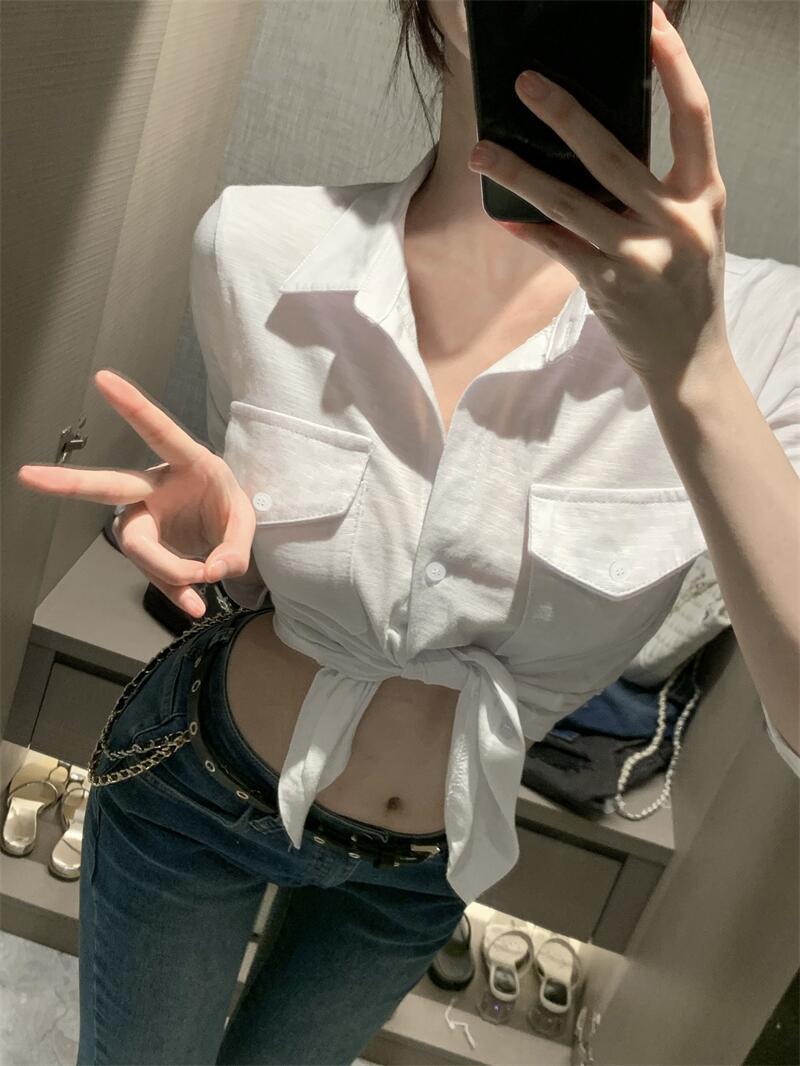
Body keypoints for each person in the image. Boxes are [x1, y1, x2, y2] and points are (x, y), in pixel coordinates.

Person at [16, 1, 800, 1063]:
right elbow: (259, 575)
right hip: (198, 789)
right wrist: (200, 525)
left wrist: (692, 366)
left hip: (423, 871)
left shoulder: (766, 337)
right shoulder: (256, 243)